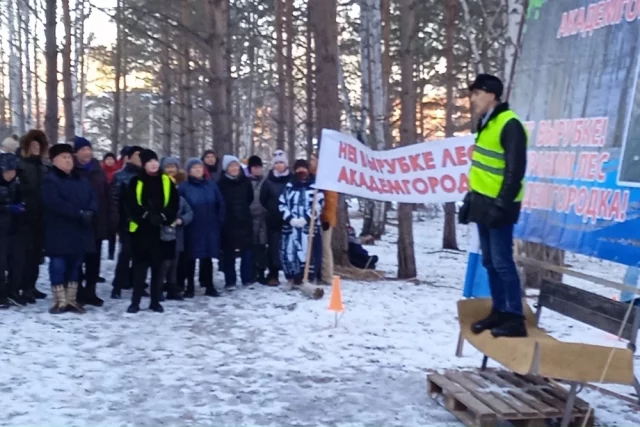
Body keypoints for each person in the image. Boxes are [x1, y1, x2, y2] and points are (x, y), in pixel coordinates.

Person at [459, 74, 528, 338]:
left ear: (491, 94)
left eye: (477, 93)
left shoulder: (510, 124)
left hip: (500, 205)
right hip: (483, 203)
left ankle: (515, 317)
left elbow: (515, 171)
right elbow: (483, 167)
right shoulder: (487, 123)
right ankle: (500, 309)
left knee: (502, 262)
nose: (473, 99)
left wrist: (501, 205)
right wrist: (472, 198)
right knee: (489, 261)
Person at [42, 144, 97, 314]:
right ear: (54, 160)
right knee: (58, 265)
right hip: (58, 230)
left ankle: (72, 300)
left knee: (75, 265)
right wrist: (78, 212)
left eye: (69, 157)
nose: (68, 160)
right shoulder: (50, 180)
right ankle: (60, 300)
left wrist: (91, 211)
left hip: (79, 230)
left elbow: (92, 198)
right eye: (63, 157)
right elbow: (54, 203)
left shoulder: (81, 179)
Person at [125, 149, 179, 313]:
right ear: (144, 164)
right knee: (140, 268)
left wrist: (162, 217)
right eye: (149, 162)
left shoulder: (166, 181)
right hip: (141, 231)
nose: (153, 164)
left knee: (158, 268)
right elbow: (130, 204)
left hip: (160, 231)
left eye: (155, 161)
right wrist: (146, 215)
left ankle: (155, 301)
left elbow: (173, 203)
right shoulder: (136, 181)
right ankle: (135, 301)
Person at [179, 158, 225, 297]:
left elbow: (220, 204)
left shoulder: (211, 186)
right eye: (194, 168)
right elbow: (179, 206)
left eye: (200, 167)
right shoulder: (184, 187)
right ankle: (190, 287)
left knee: (207, 257)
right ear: (189, 171)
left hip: (210, 226)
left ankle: (209, 285)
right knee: (190, 258)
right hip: (191, 227)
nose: (198, 170)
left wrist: (219, 221)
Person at [73, 136, 110, 307]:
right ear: (76, 152)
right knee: (78, 258)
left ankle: (91, 291)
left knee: (94, 259)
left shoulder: (98, 169)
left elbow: (107, 194)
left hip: (97, 220)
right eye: (82, 149)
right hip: (79, 221)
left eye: (88, 149)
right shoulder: (72, 170)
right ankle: (78, 291)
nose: (87, 152)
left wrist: (110, 217)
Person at [278, 159, 324, 285]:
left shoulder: (315, 186)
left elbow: (318, 205)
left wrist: (306, 218)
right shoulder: (289, 186)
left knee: (310, 252)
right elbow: (282, 204)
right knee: (289, 252)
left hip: (308, 226)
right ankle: (292, 277)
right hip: (291, 226)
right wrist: (290, 219)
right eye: (298, 169)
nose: (301, 171)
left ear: (308, 170)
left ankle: (309, 277)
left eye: (303, 168)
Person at [17, 129, 49, 303]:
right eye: (33, 145)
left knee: (37, 255)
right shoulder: (21, 165)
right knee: (26, 255)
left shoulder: (43, 167)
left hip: (40, 217)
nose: (36, 148)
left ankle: (31, 286)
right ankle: (23, 287)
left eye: (39, 145)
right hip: (25, 217)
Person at [110, 145, 143, 299]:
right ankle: (117, 285)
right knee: (126, 253)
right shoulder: (120, 175)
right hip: (127, 221)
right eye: (137, 155)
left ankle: (139, 285)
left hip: (145, 222)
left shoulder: (147, 175)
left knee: (142, 255)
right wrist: (116, 222)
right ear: (128, 157)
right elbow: (114, 200)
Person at [218, 155, 254, 290]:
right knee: (228, 252)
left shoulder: (246, 181)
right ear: (226, 168)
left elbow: (249, 198)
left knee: (247, 251)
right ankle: (230, 281)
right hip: (228, 221)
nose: (234, 168)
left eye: (236, 165)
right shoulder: (220, 184)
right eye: (231, 166)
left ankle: (247, 278)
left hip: (244, 219)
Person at [160, 156, 193, 300]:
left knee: (175, 262)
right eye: (168, 167)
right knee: (163, 263)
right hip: (162, 233)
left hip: (178, 233)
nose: (171, 169)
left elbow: (189, 211)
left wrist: (182, 220)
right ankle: (159, 287)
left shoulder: (181, 194)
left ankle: (173, 287)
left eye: (173, 166)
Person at [259, 150, 291, 286]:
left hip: (290, 220)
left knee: (290, 248)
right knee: (273, 247)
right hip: (274, 220)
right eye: (276, 163)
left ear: (286, 165)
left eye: (281, 163)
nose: (279, 165)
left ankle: (293, 274)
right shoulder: (268, 181)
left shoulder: (292, 179)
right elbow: (263, 199)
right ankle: (273, 274)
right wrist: (273, 209)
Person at [0, 153, 26, 308]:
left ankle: (12, 291)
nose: (12, 174)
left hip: (14, 229)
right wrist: (7, 208)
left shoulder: (15, 184)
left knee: (16, 262)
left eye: (14, 171)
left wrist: (22, 205)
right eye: (9, 171)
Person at [310, 154, 338, 283]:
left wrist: (326, 218)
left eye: (313, 160)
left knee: (325, 248)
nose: (312, 162)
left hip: (324, 219)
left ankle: (327, 276)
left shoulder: (326, 178)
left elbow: (330, 200)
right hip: (312, 218)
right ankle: (316, 273)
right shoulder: (311, 176)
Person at [247, 155, 268, 284]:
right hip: (249, 217)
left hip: (263, 217)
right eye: (255, 167)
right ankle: (252, 272)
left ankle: (261, 272)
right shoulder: (246, 182)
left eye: (259, 167)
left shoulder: (266, 181)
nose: (258, 169)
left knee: (262, 245)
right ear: (250, 169)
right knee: (252, 245)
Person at [102, 152, 120, 260]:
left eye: (111, 159)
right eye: (107, 159)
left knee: (112, 230)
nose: (110, 161)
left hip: (114, 203)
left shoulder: (117, 173)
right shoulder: (100, 171)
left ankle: (111, 252)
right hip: (103, 202)